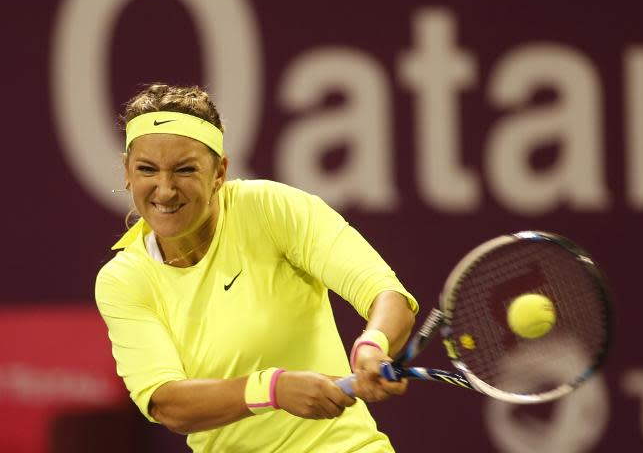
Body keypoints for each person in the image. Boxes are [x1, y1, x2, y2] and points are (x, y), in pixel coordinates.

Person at [95, 83, 418, 452]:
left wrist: (373, 345)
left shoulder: (270, 209)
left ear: (219, 172)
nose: (165, 189)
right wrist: (272, 389)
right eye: (147, 169)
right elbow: (168, 403)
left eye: (185, 170)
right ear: (127, 172)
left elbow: (386, 293)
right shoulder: (124, 281)